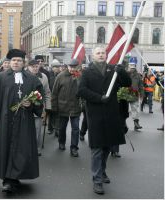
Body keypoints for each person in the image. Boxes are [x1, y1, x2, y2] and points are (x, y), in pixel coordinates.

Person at [0, 49, 44, 193]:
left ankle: (15, 176)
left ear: (23, 63)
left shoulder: (32, 79)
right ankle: (7, 179)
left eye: (19, 61)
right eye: (13, 60)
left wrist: (33, 104)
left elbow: (39, 98)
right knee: (6, 147)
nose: (16, 63)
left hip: (24, 121)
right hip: (6, 120)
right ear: (9, 62)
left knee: (21, 149)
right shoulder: (0, 77)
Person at [77, 46, 131, 195]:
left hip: (111, 114)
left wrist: (122, 71)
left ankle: (102, 171)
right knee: (97, 148)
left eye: (103, 53)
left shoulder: (113, 70)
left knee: (107, 147)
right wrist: (99, 98)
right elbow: (81, 90)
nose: (101, 55)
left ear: (106, 55)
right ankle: (97, 180)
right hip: (95, 114)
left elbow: (127, 83)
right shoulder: (87, 72)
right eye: (98, 53)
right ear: (93, 56)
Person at [51, 58, 82, 157]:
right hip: (62, 107)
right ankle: (61, 142)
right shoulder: (60, 76)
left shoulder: (80, 76)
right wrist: (54, 107)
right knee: (62, 127)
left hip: (75, 107)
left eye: (74, 67)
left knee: (76, 128)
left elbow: (84, 91)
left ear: (77, 67)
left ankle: (74, 148)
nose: (72, 69)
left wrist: (83, 104)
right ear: (67, 66)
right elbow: (54, 93)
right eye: (71, 67)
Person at [27, 59, 51, 156]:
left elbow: (47, 92)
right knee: (26, 129)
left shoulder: (44, 77)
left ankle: (36, 148)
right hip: (26, 107)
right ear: (28, 67)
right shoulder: (24, 76)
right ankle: (26, 147)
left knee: (38, 129)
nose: (35, 68)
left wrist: (48, 106)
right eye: (33, 66)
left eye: (36, 66)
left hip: (39, 106)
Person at [127, 59, 144, 131]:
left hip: (135, 94)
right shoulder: (125, 74)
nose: (132, 67)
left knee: (135, 109)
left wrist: (142, 95)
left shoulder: (138, 75)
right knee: (123, 110)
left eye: (133, 66)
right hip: (125, 94)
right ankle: (123, 124)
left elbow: (141, 86)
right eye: (131, 65)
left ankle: (136, 123)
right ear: (128, 66)